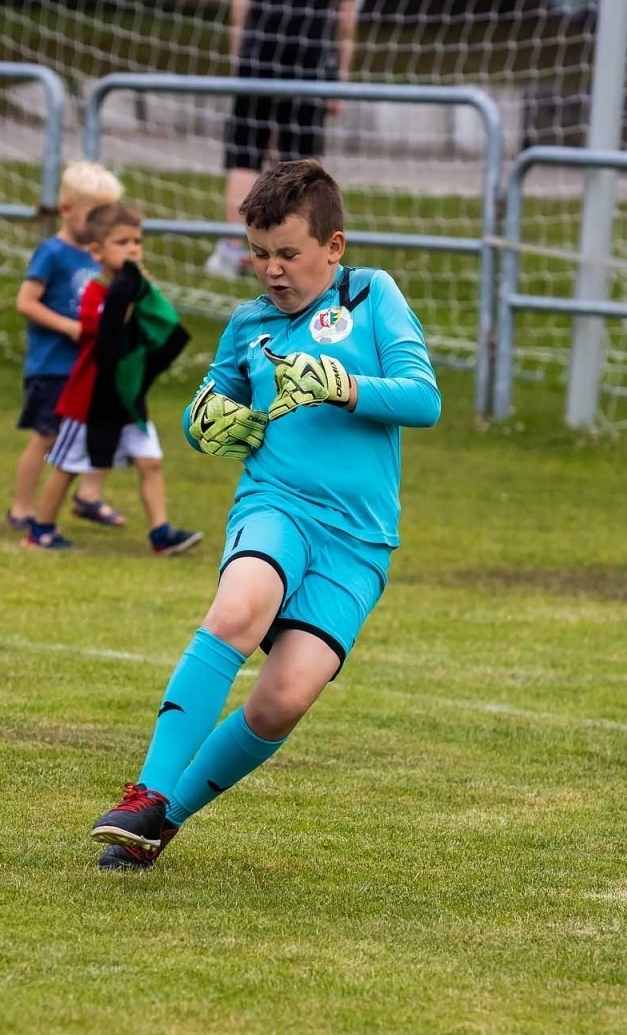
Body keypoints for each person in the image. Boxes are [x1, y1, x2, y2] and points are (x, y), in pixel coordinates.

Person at [90, 159, 440, 870]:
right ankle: (145, 791)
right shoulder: (249, 324)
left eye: (288, 254)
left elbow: (422, 397)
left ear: (333, 248)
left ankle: (163, 821)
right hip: (274, 505)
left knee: (282, 700)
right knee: (239, 609)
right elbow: (208, 405)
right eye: (258, 253)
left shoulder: (373, 296)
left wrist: (345, 385)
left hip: (358, 541)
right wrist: (207, 421)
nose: (271, 270)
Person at [24, 203, 205, 556]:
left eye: (137, 241)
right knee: (68, 465)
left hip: (127, 400)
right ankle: (40, 529)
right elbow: (104, 335)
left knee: (150, 461)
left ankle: (161, 534)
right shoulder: (94, 292)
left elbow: (156, 323)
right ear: (97, 250)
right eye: (122, 242)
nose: (133, 250)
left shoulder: (136, 288)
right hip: (88, 402)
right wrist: (125, 300)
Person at [204, 0, 361, 278]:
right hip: (310, 65)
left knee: (245, 158)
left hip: (258, 62)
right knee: (306, 166)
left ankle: (230, 250)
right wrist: (341, 78)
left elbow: (240, 7)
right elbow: (347, 20)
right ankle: (310, 248)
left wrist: (240, 62)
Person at [10, 161, 127, 532]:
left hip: (90, 366)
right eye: (94, 214)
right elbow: (26, 302)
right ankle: (22, 509)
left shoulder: (98, 255)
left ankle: (88, 496)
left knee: (105, 427)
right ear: (66, 210)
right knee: (47, 436)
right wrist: (71, 328)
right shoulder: (53, 253)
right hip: (53, 366)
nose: (100, 223)